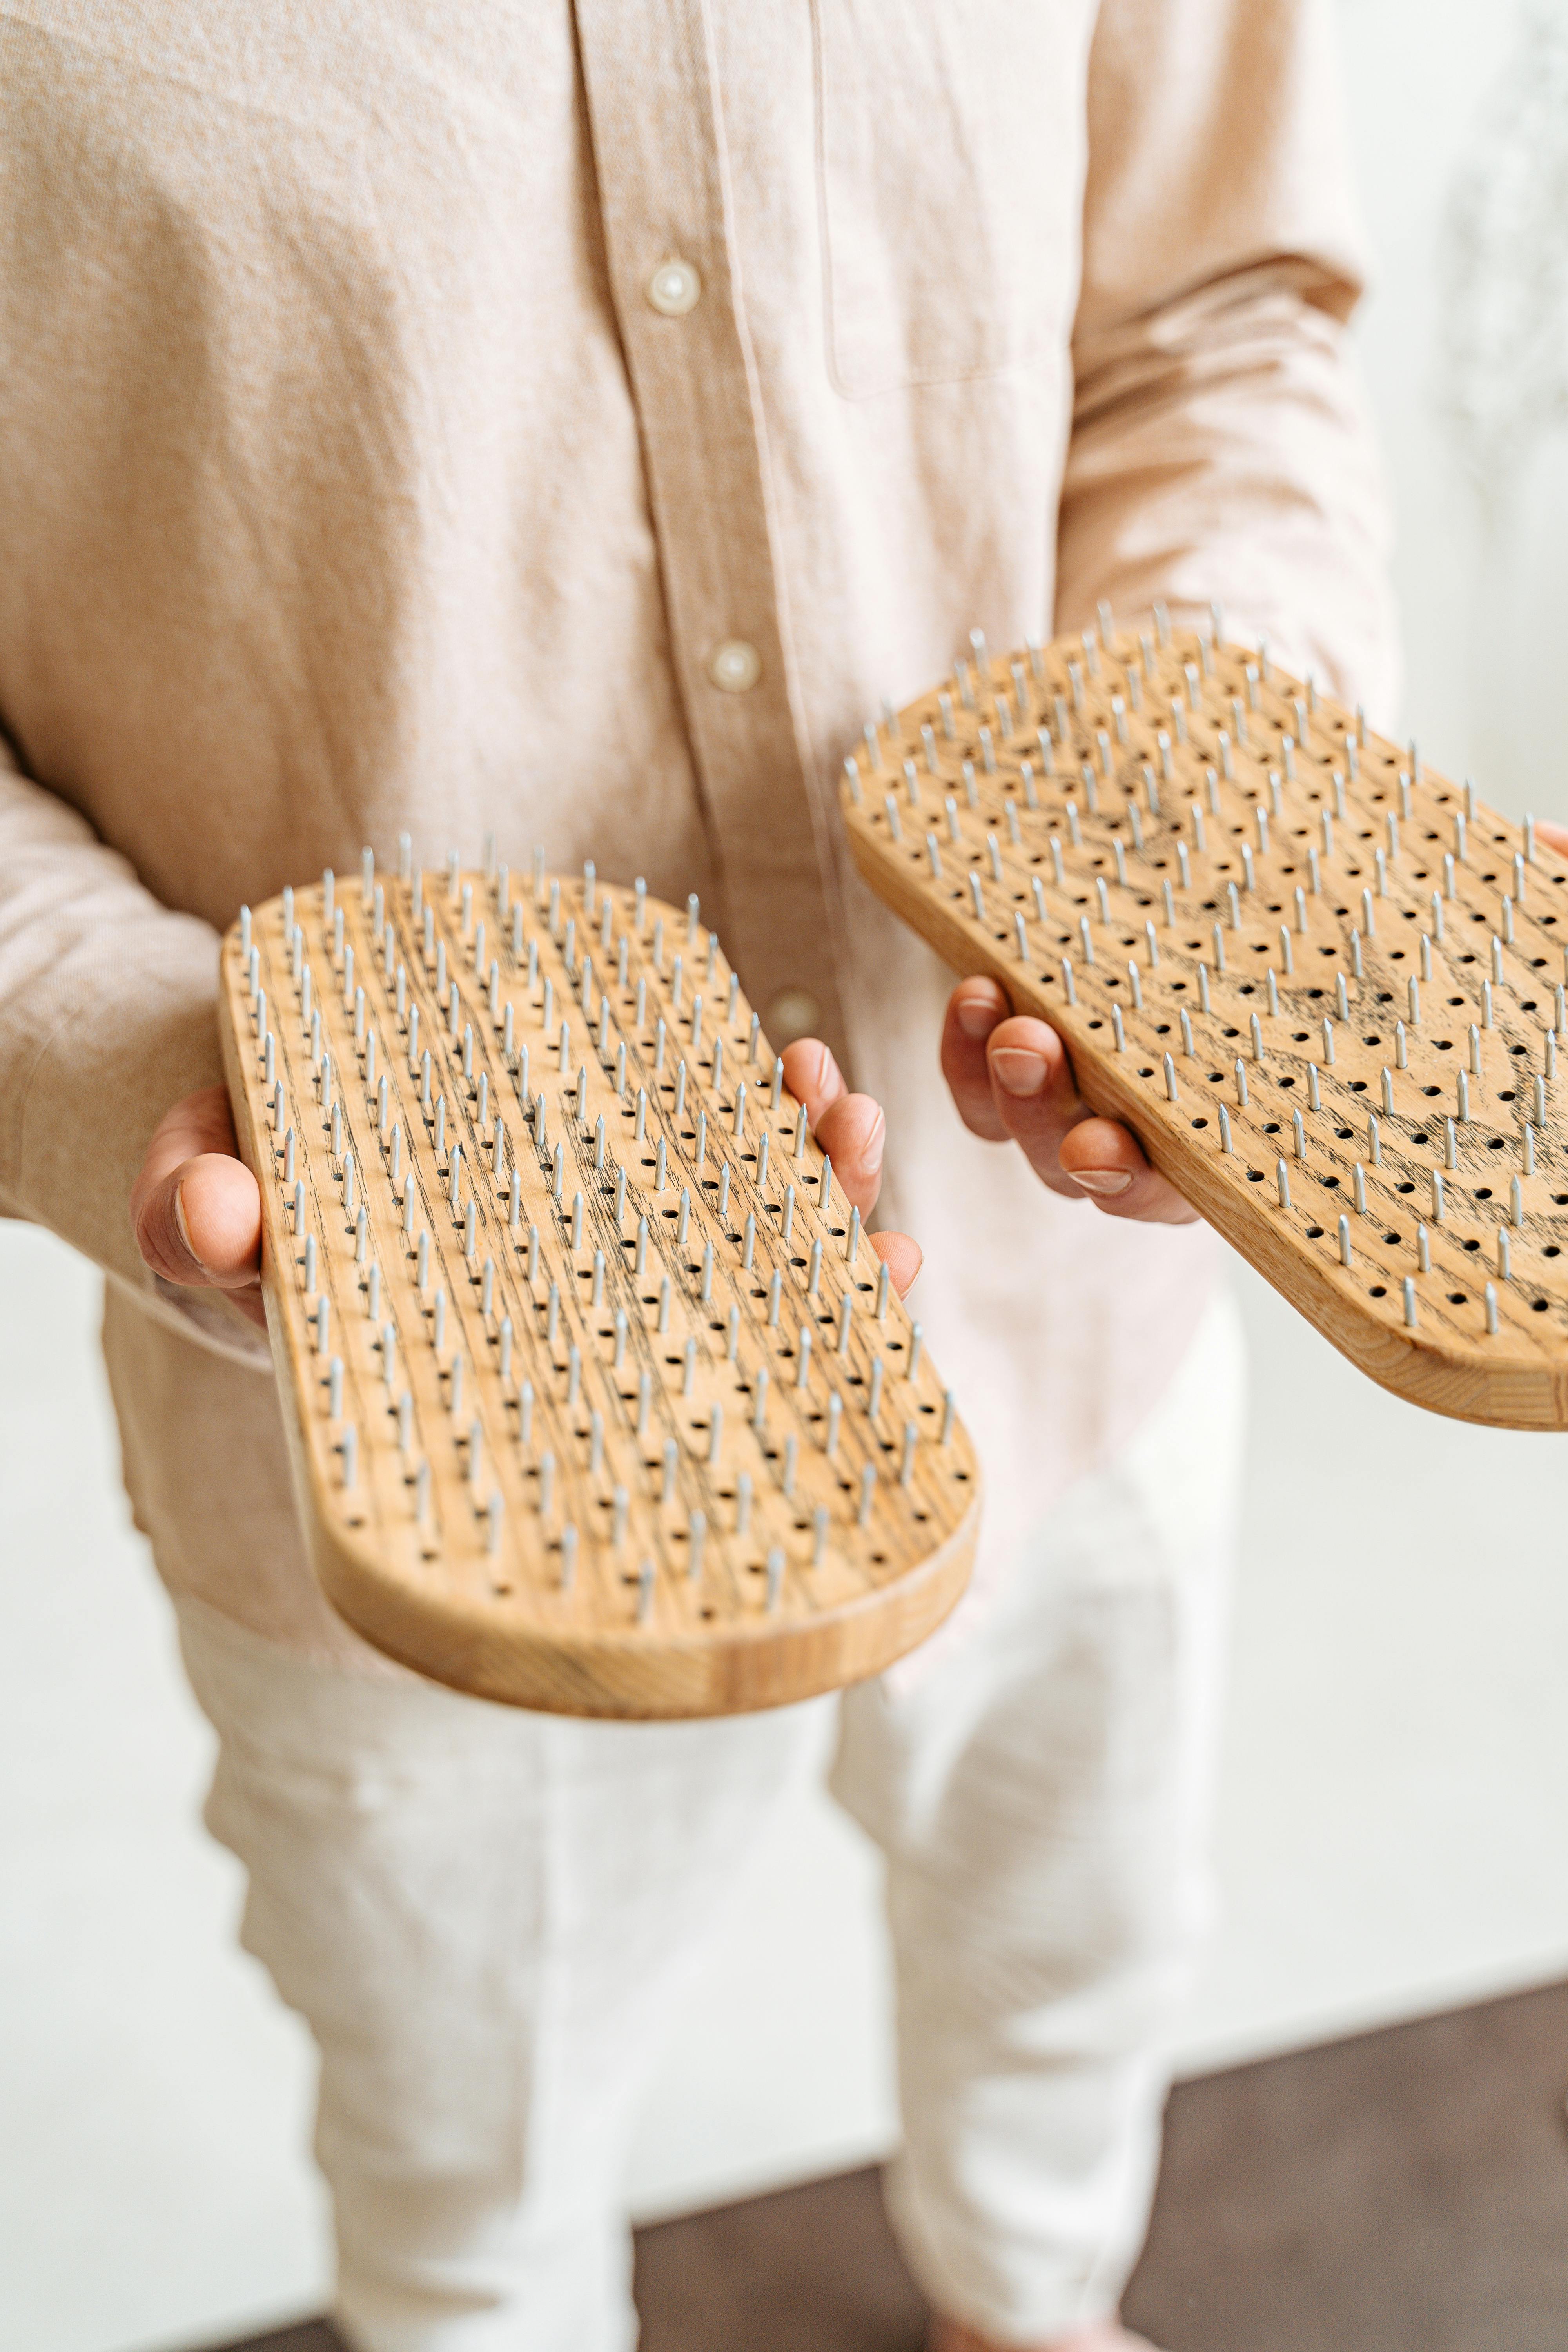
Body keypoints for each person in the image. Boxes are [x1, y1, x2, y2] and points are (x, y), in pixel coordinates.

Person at [0, 4, 1397, 2346]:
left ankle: (1029, 2305)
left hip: (1064, 1295)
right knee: (475, 2203)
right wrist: (147, 1062)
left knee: (1080, 1956)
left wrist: (1209, 818)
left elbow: (1212, 316)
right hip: (413, 1426)